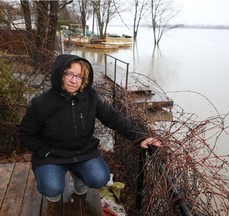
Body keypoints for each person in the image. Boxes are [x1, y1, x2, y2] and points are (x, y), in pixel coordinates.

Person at [18, 54, 161, 202]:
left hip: (83, 153)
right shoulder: (41, 103)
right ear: (59, 74)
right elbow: (25, 134)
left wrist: (140, 137)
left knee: (100, 178)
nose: (74, 80)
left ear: (83, 78)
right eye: (69, 74)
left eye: (79, 76)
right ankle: (54, 188)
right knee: (51, 187)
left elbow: (112, 118)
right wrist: (45, 151)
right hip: (53, 156)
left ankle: (79, 176)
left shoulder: (90, 97)